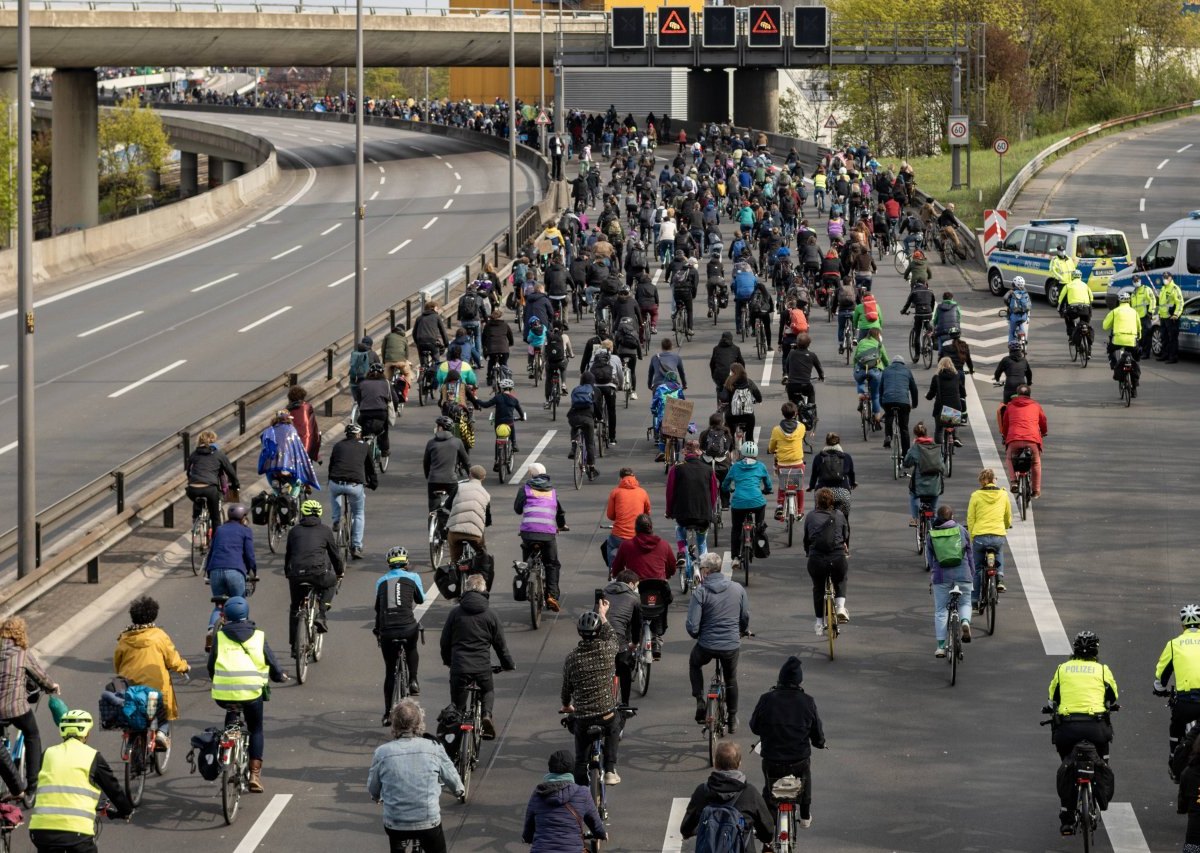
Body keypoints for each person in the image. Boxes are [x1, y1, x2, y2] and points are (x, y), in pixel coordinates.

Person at [208, 595, 289, 793]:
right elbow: (271, 662)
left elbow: (211, 666)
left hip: (223, 693)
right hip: (252, 693)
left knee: (232, 713)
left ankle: (226, 754)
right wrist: (279, 676)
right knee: (256, 729)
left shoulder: (219, 636)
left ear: (225, 616)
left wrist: (219, 680)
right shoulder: (258, 635)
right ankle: (254, 774)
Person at [27, 710, 133, 852]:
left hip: (40, 832)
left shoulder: (47, 753)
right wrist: (125, 810)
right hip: (76, 834)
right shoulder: (92, 756)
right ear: (86, 733)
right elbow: (113, 789)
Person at [368, 698, 464, 853]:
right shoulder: (433, 748)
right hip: (427, 822)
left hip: (395, 823)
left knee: (396, 840)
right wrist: (459, 789)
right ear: (419, 722)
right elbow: (450, 774)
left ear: (394, 723)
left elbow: (373, 788)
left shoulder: (382, 753)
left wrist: (376, 796)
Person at [1046, 631, 1119, 834]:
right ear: (1096, 651)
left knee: (1067, 765)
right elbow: (1112, 697)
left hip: (1067, 729)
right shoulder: (1103, 670)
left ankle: (1067, 815)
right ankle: (1099, 790)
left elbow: (1052, 700)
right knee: (1102, 761)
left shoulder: (1062, 669)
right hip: (1096, 728)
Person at [749, 656, 825, 827]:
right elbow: (817, 732)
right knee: (805, 777)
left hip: (772, 760)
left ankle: (768, 826)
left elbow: (754, 727)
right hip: (798, 760)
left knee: (769, 790)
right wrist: (820, 743)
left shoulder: (766, 699)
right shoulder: (808, 702)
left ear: (780, 678)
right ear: (800, 681)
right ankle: (805, 815)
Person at [440, 573, 515, 741]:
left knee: (457, 708)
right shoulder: (491, 615)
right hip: (482, 667)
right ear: (484, 591)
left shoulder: (455, 613)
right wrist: (508, 664)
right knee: (488, 690)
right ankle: (486, 715)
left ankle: (456, 744)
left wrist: (448, 661)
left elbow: (445, 642)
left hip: (459, 667)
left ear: (466, 589)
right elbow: (500, 646)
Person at [113, 596, 190, 749]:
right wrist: (184, 667)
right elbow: (172, 660)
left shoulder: (124, 638)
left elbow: (117, 663)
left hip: (129, 685)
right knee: (161, 711)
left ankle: (131, 739)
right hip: (154, 686)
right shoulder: (159, 636)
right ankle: (161, 733)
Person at [560, 604, 624, 786]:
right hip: (606, 713)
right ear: (598, 631)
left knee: (581, 758)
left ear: (580, 633)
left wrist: (566, 705)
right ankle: (610, 768)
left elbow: (566, 689)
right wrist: (603, 615)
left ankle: (581, 779)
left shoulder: (572, 658)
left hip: (583, 717)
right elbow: (613, 635)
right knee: (614, 724)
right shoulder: (608, 650)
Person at [686, 552, 750, 731]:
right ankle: (732, 718)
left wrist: (698, 634)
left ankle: (699, 700)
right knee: (730, 679)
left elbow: (692, 626)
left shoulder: (700, 592)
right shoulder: (737, 589)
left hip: (706, 645)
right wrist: (742, 630)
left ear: (706, 571)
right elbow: (744, 616)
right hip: (730, 644)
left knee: (695, 663)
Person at [0, 617, 59, 799]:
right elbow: (40, 675)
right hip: (16, 708)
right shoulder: (22, 653)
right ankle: (32, 786)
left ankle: (14, 783)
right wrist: (52, 687)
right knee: (32, 734)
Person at [679, 741, 773, 849]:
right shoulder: (750, 793)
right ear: (739, 763)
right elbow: (768, 830)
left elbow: (685, 829)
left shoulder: (702, 791)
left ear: (716, 763)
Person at [610, 515, 676, 655]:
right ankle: (657, 636)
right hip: (657, 592)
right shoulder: (663, 544)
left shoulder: (626, 545)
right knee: (662, 597)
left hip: (636, 592)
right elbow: (672, 567)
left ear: (635, 529)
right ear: (651, 528)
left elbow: (616, 570)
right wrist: (666, 576)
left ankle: (629, 642)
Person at [283, 500, 344, 651]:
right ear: (319, 513)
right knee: (331, 583)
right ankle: (321, 615)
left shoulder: (294, 531)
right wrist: (339, 572)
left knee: (295, 608)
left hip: (296, 575)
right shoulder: (325, 530)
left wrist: (287, 573)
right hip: (318, 573)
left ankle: (294, 645)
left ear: (303, 513)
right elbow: (335, 555)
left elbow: (288, 556)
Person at [375, 548, 424, 725]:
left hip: (387, 630)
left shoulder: (381, 581)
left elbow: (379, 609)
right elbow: (421, 599)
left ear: (389, 564)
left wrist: (377, 630)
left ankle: (388, 713)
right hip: (408, 628)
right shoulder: (414, 577)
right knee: (411, 648)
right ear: (406, 563)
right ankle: (413, 680)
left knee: (390, 671)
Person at [522, 749, 607, 851]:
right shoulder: (582, 793)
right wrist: (601, 834)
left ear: (550, 769)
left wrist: (527, 838)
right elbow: (595, 823)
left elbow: (528, 828)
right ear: (572, 769)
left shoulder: (538, 793)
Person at [515, 463, 567, 612]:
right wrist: (562, 526)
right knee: (551, 564)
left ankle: (527, 583)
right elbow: (560, 513)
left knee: (527, 559)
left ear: (531, 475)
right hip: (547, 534)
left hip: (528, 533)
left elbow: (518, 509)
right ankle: (552, 595)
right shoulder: (552, 491)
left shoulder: (525, 489)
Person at [204, 503, 257, 643]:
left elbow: (211, 551)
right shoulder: (245, 531)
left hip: (215, 570)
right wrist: (253, 571)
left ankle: (211, 629)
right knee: (239, 605)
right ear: (243, 518)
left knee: (219, 605)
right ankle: (241, 637)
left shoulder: (220, 530)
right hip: (235, 570)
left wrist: (208, 572)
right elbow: (249, 554)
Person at [926, 504, 975, 656]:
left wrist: (933, 577)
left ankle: (941, 646)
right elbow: (970, 554)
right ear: (952, 517)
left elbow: (930, 559)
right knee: (965, 602)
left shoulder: (931, 534)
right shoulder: (962, 530)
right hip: (963, 575)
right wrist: (971, 573)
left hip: (942, 577)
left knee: (941, 610)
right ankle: (965, 621)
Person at [1155, 605, 1200, 767]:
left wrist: (1159, 688)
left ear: (1183, 625)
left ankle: (1174, 759)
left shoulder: (1174, 644)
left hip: (1186, 702)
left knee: (1176, 727)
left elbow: (1162, 673)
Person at [803, 487, 850, 635]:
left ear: (817, 502)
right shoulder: (840, 515)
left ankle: (818, 623)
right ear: (832, 502)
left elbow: (806, 539)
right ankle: (840, 607)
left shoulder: (810, 516)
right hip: (837, 558)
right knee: (841, 579)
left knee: (818, 588)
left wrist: (807, 552)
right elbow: (846, 535)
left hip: (817, 559)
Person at [328, 423, 378, 561]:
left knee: (334, 493)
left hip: (336, 482)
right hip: (354, 485)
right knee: (358, 513)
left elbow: (332, 465)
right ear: (358, 434)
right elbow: (370, 467)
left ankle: (336, 519)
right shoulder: (364, 446)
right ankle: (356, 546)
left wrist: (330, 480)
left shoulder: (338, 445)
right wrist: (373, 483)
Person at [721, 441, 772, 571]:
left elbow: (725, 484)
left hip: (739, 503)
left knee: (736, 529)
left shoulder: (735, 467)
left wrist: (728, 489)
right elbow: (768, 484)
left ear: (742, 453)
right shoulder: (761, 466)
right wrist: (767, 490)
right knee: (760, 526)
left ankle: (735, 558)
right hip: (757, 502)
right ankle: (759, 539)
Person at [667, 442, 717, 569]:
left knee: (679, 529)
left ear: (685, 454)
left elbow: (670, 493)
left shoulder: (676, 469)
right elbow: (713, 494)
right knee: (702, 541)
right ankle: (705, 566)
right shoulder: (708, 470)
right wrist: (709, 511)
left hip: (683, 515)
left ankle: (682, 554)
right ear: (699, 454)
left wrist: (669, 511)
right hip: (703, 515)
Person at [966, 468, 1011, 608]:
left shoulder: (976, 496)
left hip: (980, 536)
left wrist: (973, 536)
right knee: (998, 552)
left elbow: (971, 518)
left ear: (982, 481)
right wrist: (1006, 526)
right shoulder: (1003, 495)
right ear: (994, 480)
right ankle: (1000, 579)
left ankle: (974, 602)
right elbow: (1007, 515)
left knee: (978, 569)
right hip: (998, 535)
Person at [258, 410, 320, 500]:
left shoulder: (268, 431)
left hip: (271, 469)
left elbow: (264, 444)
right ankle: (292, 502)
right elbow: (298, 449)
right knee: (296, 485)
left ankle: (276, 502)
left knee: (275, 489)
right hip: (287, 468)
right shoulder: (291, 430)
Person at [1000, 385, 1047, 498]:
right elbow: (1043, 421)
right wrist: (1044, 432)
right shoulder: (1036, 406)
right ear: (1029, 395)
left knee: (1010, 458)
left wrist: (1006, 436)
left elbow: (1005, 424)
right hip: (1032, 439)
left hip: (1014, 438)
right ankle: (1036, 491)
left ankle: (1014, 481)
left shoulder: (1010, 406)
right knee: (1036, 462)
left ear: (1017, 394)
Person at [604, 571, 642, 708]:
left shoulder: (604, 593)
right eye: (636, 586)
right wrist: (635, 643)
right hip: (618, 640)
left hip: (599, 639)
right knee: (624, 667)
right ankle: (625, 704)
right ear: (631, 584)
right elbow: (637, 626)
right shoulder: (635, 598)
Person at [185, 429, 239, 525]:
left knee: (198, 498)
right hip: (210, 489)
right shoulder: (219, 454)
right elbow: (230, 472)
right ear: (213, 441)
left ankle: (196, 518)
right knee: (215, 517)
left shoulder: (193, 454)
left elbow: (188, 472)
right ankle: (215, 537)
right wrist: (235, 484)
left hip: (192, 490)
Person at [604, 466, 651, 567]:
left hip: (618, 536)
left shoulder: (615, 492)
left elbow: (610, 515)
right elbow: (647, 514)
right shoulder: (642, 492)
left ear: (621, 479)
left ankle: (612, 571)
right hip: (637, 536)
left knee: (610, 545)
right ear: (634, 477)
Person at [446, 465, 492, 567]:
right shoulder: (486, 495)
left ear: (469, 475)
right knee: (482, 554)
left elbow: (447, 505)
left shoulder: (459, 487)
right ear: (483, 478)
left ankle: (455, 568)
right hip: (475, 535)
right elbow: (488, 519)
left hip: (455, 531)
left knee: (455, 556)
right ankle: (481, 575)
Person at [768, 402, 806, 522]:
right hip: (798, 462)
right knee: (799, 487)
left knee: (782, 483)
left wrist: (771, 450)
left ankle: (780, 505)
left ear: (782, 414)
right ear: (795, 414)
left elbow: (772, 447)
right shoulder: (801, 427)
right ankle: (799, 511)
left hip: (782, 464)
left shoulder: (776, 430)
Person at [902, 421, 945, 526]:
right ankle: (933, 524)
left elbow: (907, 463)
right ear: (927, 434)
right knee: (933, 510)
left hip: (919, 486)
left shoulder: (916, 447)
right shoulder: (936, 447)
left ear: (915, 434)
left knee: (913, 496)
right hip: (935, 486)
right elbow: (942, 467)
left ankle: (915, 519)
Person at [423, 415, 470, 512]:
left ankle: (433, 521)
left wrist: (429, 476)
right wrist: (471, 476)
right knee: (453, 507)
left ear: (440, 428)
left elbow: (426, 462)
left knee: (433, 509)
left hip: (434, 480)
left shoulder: (431, 443)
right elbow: (466, 461)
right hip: (450, 480)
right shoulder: (457, 442)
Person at [807, 432, 856, 521]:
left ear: (826, 442)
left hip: (823, 494)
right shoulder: (846, 457)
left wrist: (811, 486)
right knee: (844, 518)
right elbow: (851, 473)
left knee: (819, 517)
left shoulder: (819, 457)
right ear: (839, 443)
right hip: (842, 494)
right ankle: (844, 530)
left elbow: (814, 475)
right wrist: (853, 483)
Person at [357, 361, 401, 459]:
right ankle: (385, 450)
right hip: (380, 412)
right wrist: (395, 409)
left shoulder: (362, 383)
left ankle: (363, 447)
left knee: (364, 429)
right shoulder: (386, 383)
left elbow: (359, 399)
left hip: (365, 412)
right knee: (383, 430)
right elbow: (395, 399)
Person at [1102, 290, 1142, 395]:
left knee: (1110, 350)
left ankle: (1114, 365)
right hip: (1131, 341)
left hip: (1118, 340)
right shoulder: (1135, 312)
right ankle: (1134, 389)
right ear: (1129, 301)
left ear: (1119, 301)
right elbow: (1139, 328)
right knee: (1135, 360)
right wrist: (1139, 337)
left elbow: (1105, 326)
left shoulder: (1115, 312)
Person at [566, 372, 602, 482]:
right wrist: (599, 418)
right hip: (588, 419)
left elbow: (573, 403)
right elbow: (597, 407)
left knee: (575, 427)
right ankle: (591, 469)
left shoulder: (576, 389)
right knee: (589, 443)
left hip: (574, 417)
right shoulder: (595, 390)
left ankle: (574, 446)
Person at [879, 355, 918, 453]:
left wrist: (882, 403)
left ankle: (888, 436)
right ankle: (906, 454)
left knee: (889, 415)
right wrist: (914, 403)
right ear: (903, 363)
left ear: (893, 363)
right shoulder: (907, 371)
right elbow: (914, 389)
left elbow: (880, 389)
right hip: (903, 402)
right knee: (904, 428)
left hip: (888, 401)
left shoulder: (886, 370)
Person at [719, 363, 763, 445]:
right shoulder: (749, 382)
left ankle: (731, 449)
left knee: (730, 433)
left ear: (732, 372)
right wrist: (759, 400)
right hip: (747, 416)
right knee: (750, 434)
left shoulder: (728, 382)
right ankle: (750, 451)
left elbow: (723, 398)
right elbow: (757, 394)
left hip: (732, 416)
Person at [853, 328, 889, 422]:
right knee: (875, 395)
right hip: (875, 371)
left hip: (861, 370)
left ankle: (861, 393)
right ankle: (877, 416)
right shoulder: (879, 345)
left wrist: (855, 368)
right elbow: (886, 360)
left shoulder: (861, 342)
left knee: (860, 380)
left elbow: (856, 357)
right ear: (878, 336)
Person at [927, 356, 963, 447]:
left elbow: (931, 393)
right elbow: (963, 391)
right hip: (955, 406)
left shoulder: (936, 377)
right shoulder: (957, 376)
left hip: (941, 407)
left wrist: (927, 397)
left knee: (939, 429)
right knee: (953, 423)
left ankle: (939, 449)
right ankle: (955, 437)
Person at [783, 333, 823, 405]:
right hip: (806, 385)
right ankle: (811, 410)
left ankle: (794, 412)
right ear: (808, 344)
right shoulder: (812, 355)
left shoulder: (791, 353)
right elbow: (819, 368)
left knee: (793, 403)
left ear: (797, 343)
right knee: (811, 394)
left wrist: (788, 375)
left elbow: (786, 366)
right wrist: (821, 376)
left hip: (792, 385)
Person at [286, 384, 322, 463]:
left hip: (291, 447)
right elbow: (313, 429)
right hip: (306, 444)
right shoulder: (307, 407)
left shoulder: (287, 410)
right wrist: (316, 453)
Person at [1057, 269, 1094, 343]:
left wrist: (1059, 309)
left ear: (1072, 277)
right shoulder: (1085, 285)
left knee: (1068, 318)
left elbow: (1061, 299)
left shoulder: (1068, 286)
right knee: (1085, 323)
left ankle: (1071, 336)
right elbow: (1091, 298)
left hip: (1073, 309)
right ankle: (1088, 350)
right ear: (1080, 277)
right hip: (1085, 308)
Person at [482, 309, 514, 387]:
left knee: (491, 362)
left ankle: (489, 377)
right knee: (504, 364)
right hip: (503, 349)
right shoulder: (505, 325)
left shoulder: (488, 325)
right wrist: (510, 343)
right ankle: (506, 379)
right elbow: (510, 336)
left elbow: (483, 338)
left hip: (491, 349)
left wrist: (484, 347)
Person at [1158, 271, 1184, 364]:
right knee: (1164, 337)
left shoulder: (1175, 288)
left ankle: (1173, 357)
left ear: (1170, 278)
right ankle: (1165, 355)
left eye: (1166, 278)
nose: (1165, 279)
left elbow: (1180, 303)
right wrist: (1160, 315)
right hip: (1163, 317)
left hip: (1172, 318)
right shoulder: (1163, 288)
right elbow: (1161, 304)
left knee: (1172, 338)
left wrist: (1176, 315)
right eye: (1163, 277)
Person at [709, 331, 745, 397]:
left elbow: (712, 364)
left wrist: (714, 376)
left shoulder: (716, 349)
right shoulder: (736, 349)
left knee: (720, 387)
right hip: (732, 377)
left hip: (719, 377)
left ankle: (720, 397)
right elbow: (742, 364)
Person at [349, 335, 382, 402]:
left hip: (354, 379)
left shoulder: (355, 353)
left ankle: (356, 406)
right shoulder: (372, 353)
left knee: (357, 398)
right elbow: (378, 365)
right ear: (371, 344)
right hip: (366, 378)